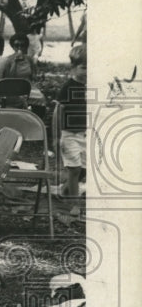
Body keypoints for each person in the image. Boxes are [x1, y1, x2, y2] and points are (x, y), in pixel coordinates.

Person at [55, 43, 87, 198]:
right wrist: (57, 135)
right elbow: (59, 111)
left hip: (86, 134)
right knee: (74, 170)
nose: (88, 72)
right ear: (74, 67)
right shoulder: (68, 87)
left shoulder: (92, 86)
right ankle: (74, 206)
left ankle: (66, 189)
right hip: (69, 133)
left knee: (84, 169)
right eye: (84, 67)